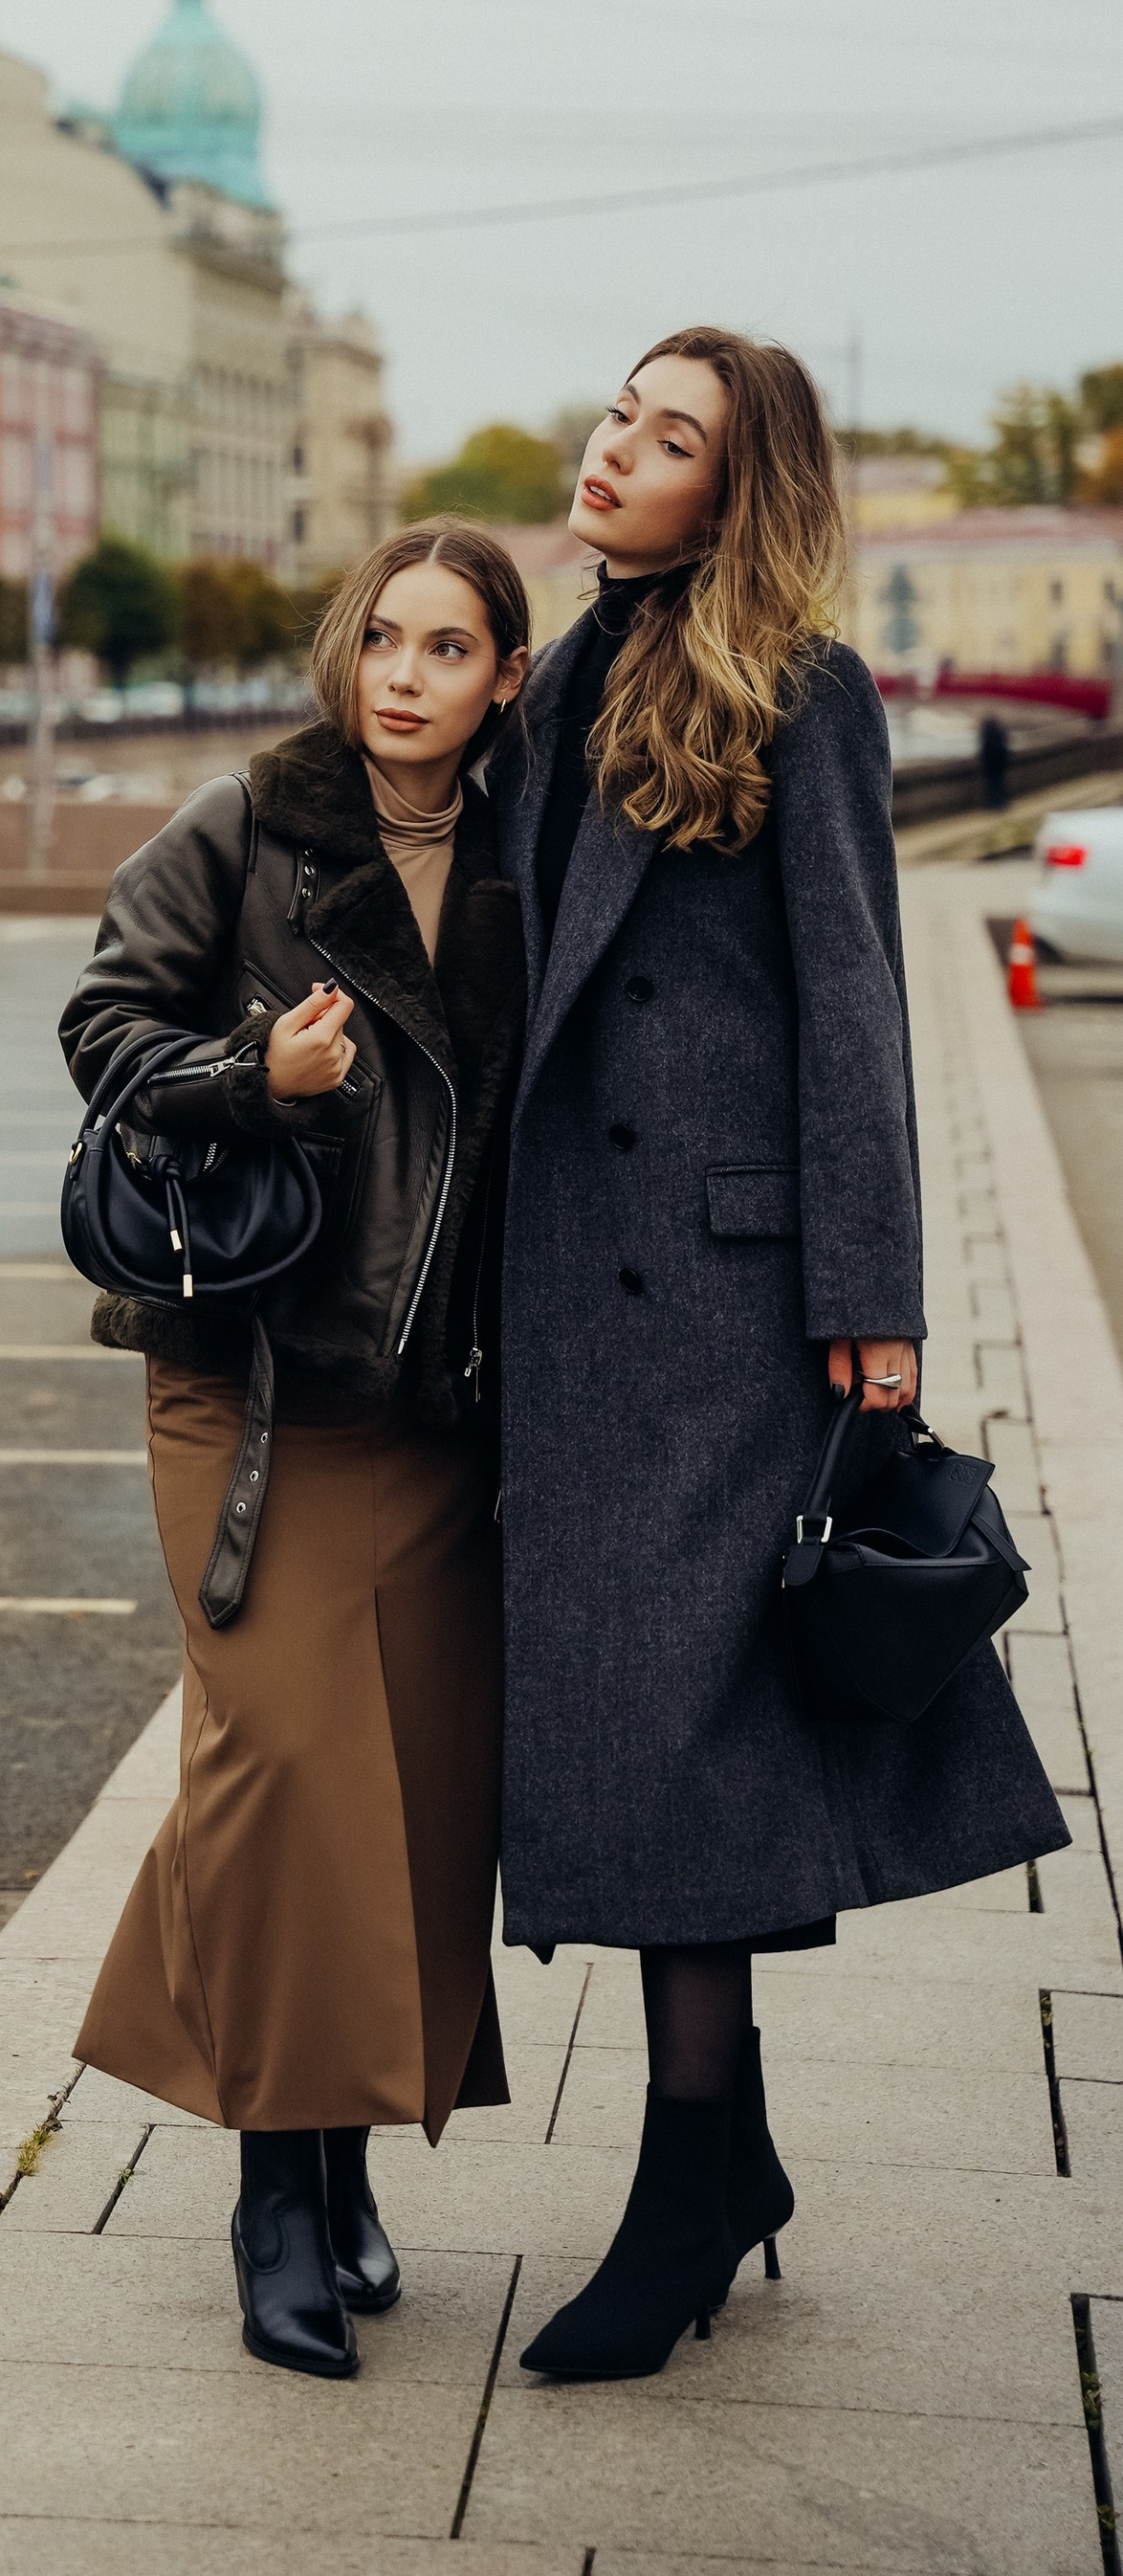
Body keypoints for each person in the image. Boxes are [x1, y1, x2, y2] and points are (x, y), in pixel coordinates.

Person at [497, 327, 1068, 2384]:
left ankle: (680, 2179)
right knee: (642, 1737)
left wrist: (874, 1312)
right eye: (614, 416)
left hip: (725, 1310)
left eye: (668, 439)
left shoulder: (799, 690)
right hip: (570, 1290)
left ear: (731, 495)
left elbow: (852, 995)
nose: (613, 451)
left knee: (674, 1744)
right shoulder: (563, 668)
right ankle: (718, 2155)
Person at [59, 522, 533, 2384]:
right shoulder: (242, 826)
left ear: (502, 677)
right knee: (272, 1771)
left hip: (433, 1411)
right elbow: (104, 1023)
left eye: (447, 647)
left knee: (401, 1796)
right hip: (249, 1379)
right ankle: (273, 2194)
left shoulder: (522, 855)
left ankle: (338, 2170)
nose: (402, 674)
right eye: (380, 640)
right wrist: (257, 1073)